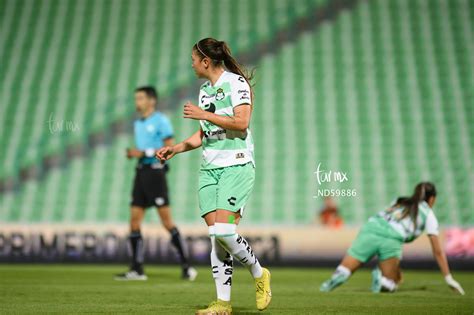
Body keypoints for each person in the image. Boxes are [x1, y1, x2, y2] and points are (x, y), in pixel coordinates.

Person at [156, 38, 272, 314]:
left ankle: (259, 273)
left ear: (206, 61)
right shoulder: (205, 91)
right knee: (215, 236)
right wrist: (176, 148)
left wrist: (201, 115)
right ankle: (222, 303)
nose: (192, 64)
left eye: (194, 59)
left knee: (223, 231)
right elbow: (205, 133)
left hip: (236, 165)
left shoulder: (235, 84)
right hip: (209, 169)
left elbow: (242, 123)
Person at [320, 182, 465, 295]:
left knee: (345, 269)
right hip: (392, 238)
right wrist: (448, 278)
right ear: (432, 198)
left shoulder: (400, 201)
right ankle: (384, 281)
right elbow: (438, 252)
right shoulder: (428, 214)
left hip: (371, 227)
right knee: (395, 281)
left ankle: (335, 278)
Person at [115, 86, 197, 281]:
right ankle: (137, 269)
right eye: (136, 98)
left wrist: (143, 153)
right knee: (134, 221)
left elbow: (169, 146)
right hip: (141, 172)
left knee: (167, 222)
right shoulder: (138, 123)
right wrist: (137, 155)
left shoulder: (161, 120)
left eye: (141, 98)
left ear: (152, 100)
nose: (137, 102)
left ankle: (187, 266)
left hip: (155, 173)